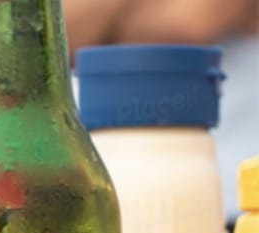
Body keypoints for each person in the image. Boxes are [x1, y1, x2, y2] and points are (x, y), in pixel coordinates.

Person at [63, 0, 259, 221]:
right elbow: (59, 25)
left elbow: (185, 22)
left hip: (234, 188)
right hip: (102, 171)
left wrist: (108, 18)